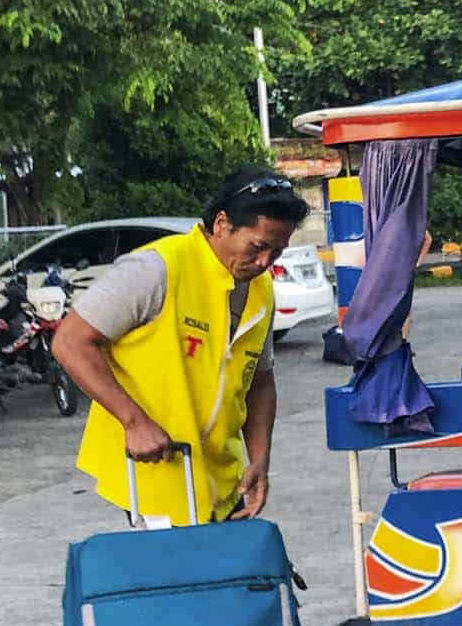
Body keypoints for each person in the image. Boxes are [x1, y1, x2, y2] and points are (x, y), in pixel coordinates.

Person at [54, 168, 311, 527]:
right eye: (258, 246)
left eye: (277, 252)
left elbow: (261, 381)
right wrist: (134, 422)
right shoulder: (156, 270)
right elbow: (70, 342)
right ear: (222, 224)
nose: (265, 262)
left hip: (223, 475)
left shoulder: (261, 291)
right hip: (156, 469)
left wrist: (259, 459)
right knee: (176, 575)